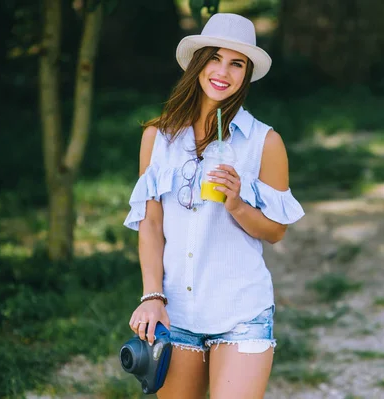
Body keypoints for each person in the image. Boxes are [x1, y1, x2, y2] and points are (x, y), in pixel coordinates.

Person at [123, 13, 305, 398]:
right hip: (177, 312)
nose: (223, 71)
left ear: (247, 72)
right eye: (214, 58)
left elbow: (276, 232)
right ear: (197, 63)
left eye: (236, 63)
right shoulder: (158, 138)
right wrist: (152, 297)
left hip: (241, 311)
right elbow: (151, 224)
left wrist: (237, 204)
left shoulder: (264, 142)